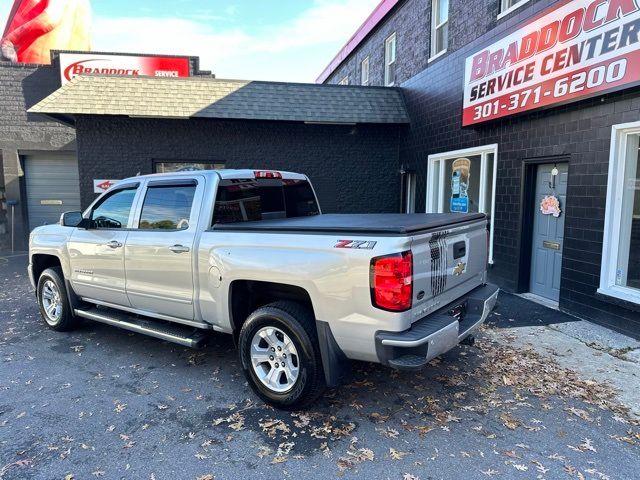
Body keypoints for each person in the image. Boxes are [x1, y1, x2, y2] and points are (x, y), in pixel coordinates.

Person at [1, 0, 91, 64]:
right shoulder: (84, 4)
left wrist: (10, 40)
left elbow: (50, 18)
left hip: (34, 68)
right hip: (69, 68)